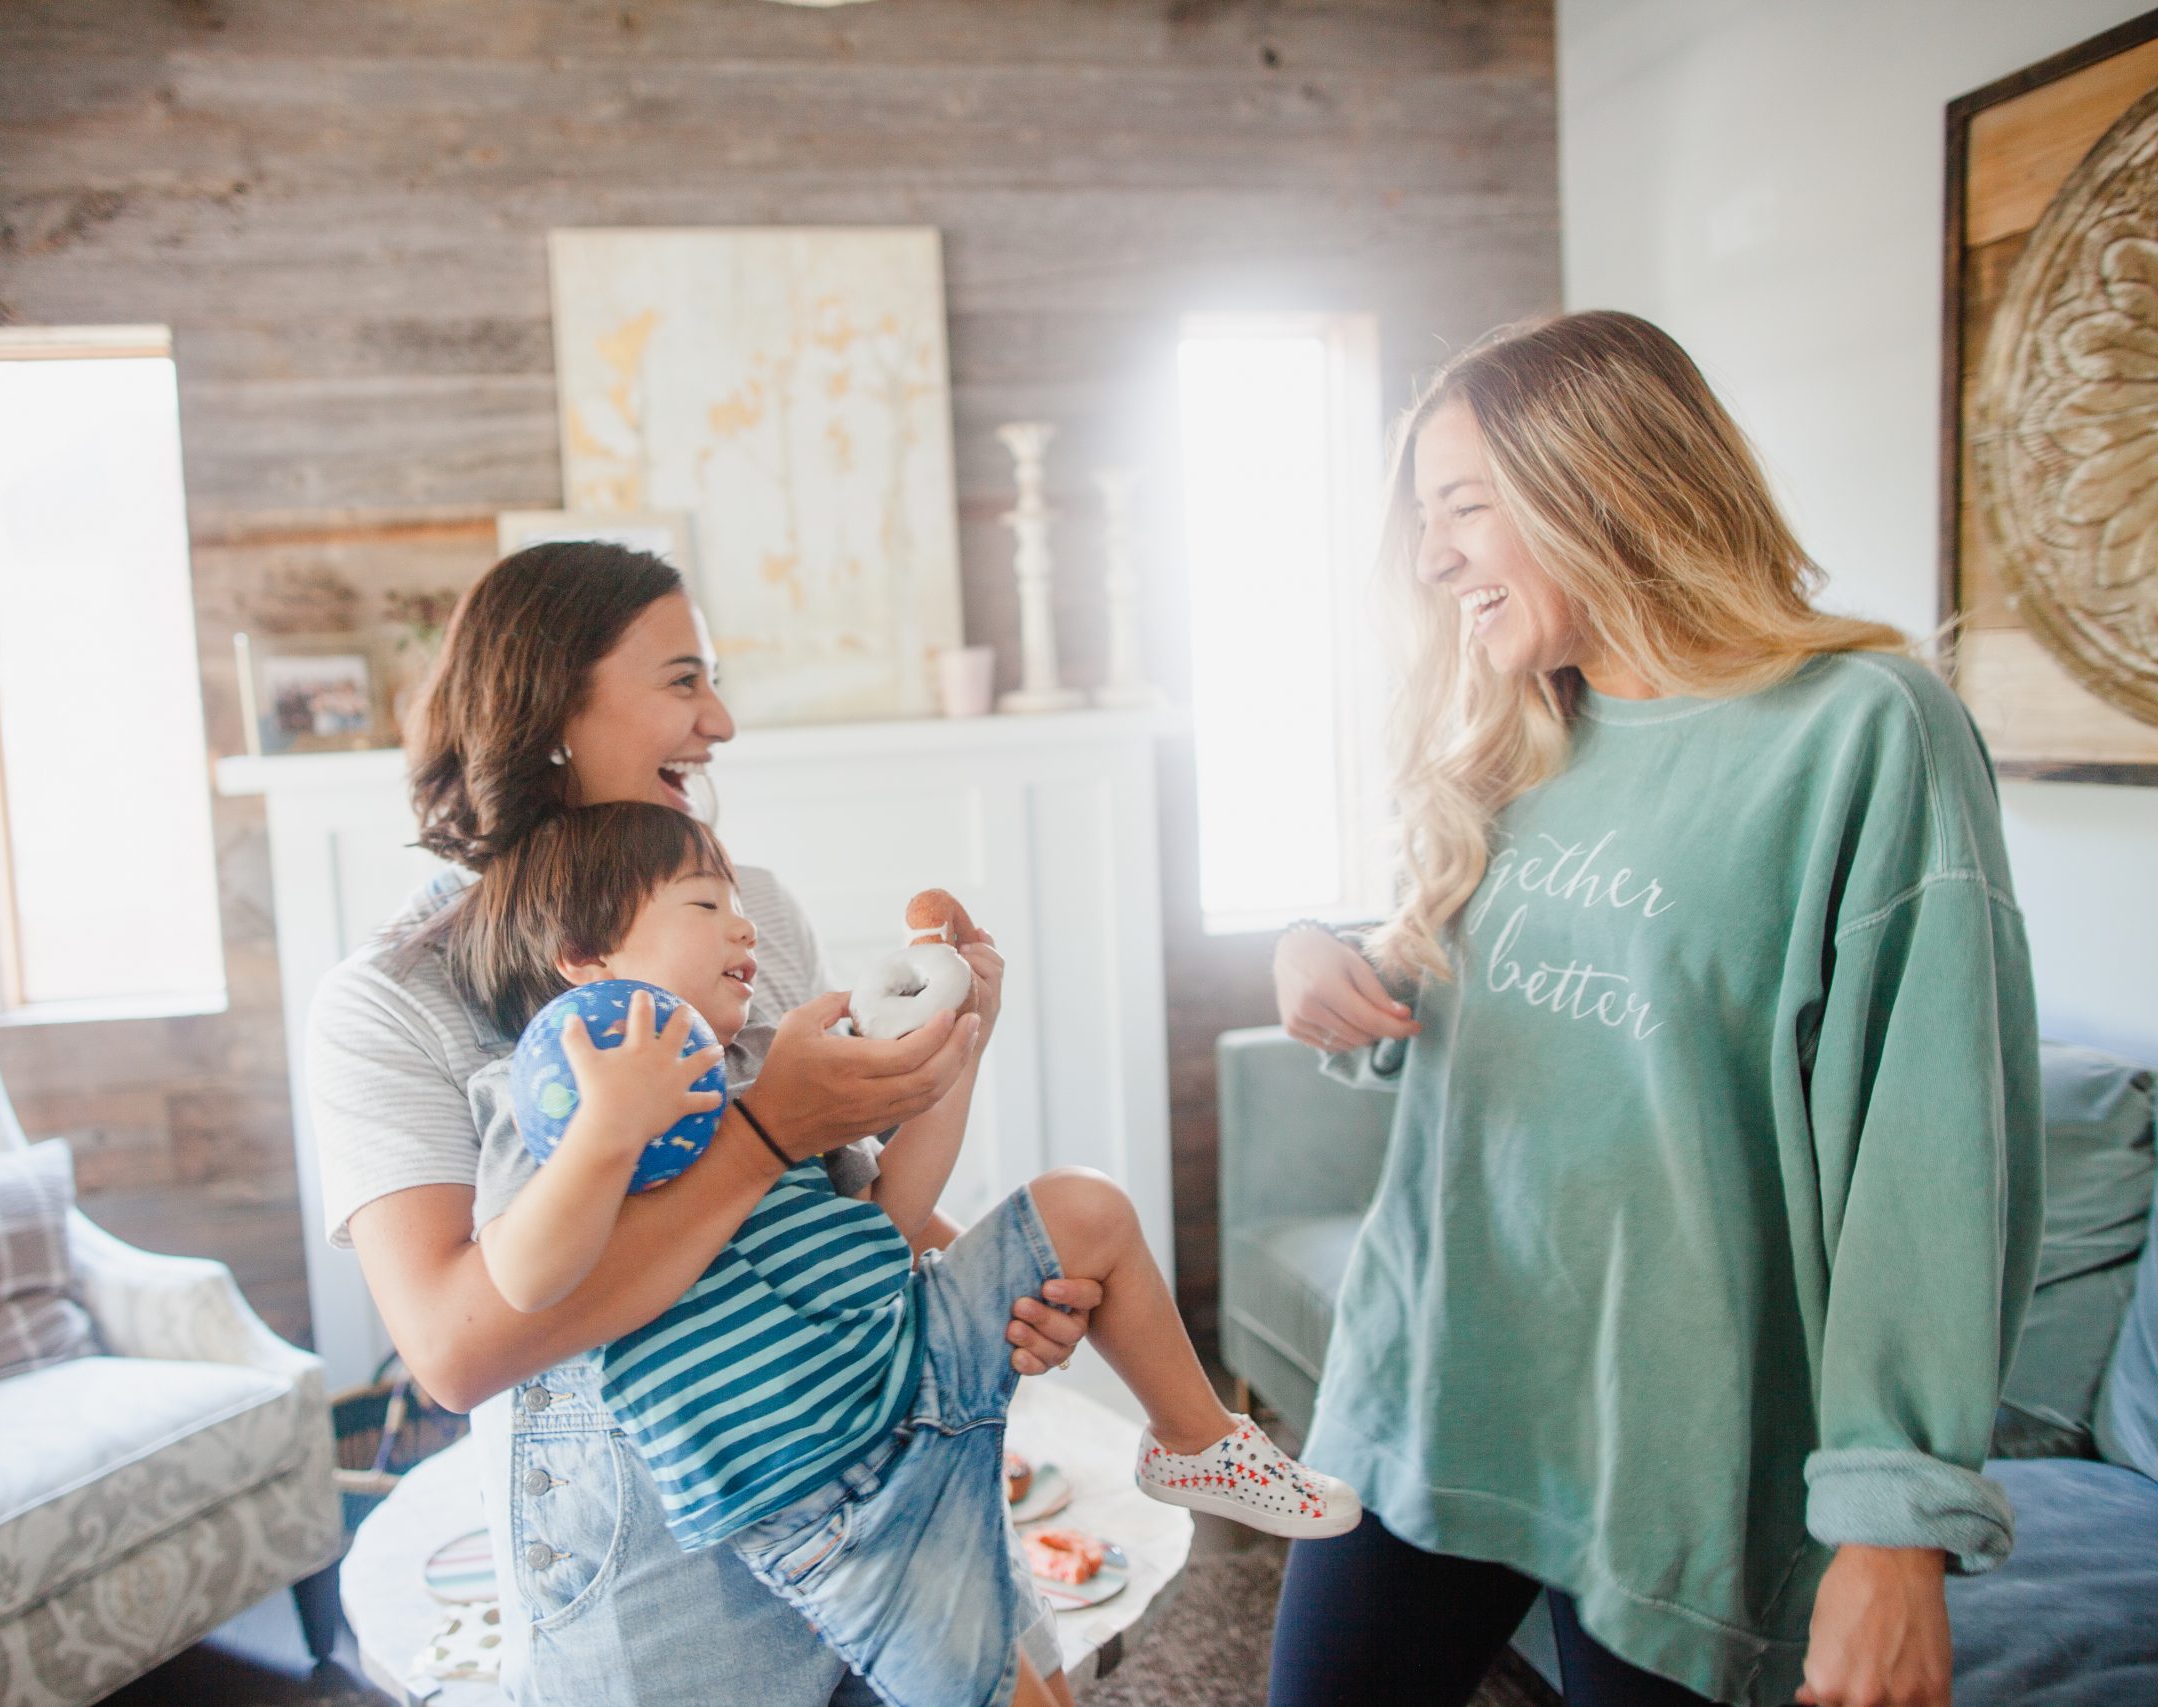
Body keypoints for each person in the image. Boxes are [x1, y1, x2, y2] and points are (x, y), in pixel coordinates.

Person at [1264, 311, 2044, 1707]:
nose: (1434, 556)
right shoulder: (1521, 731)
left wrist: (1897, 1518)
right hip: (1426, 1385)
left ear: (1601, 479)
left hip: (1673, 1460)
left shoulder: (1862, 729)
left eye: (1464, 507)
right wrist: (1323, 960)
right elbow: (1485, 1029)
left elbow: (1928, 1153)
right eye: (1424, 519)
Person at [305, 542, 1105, 1707]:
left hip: (895, 1493)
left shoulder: (754, 913)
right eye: (683, 681)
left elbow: (832, 1210)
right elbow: (454, 1353)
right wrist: (766, 1129)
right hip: (662, 1603)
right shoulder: (390, 999)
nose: (719, 721)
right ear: (548, 713)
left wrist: (992, 1283)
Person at [447, 802, 1356, 1707]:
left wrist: (958, 1041)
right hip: (835, 1511)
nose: (744, 922)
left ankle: (1196, 1443)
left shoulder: (758, 1072)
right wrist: (606, 1131)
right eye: (703, 905)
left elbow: (894, 1214)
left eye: (736, 902)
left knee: (1086, 1203)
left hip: (918, 1368)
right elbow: (527, 1281)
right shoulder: (546, 1103)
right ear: (586, 956)